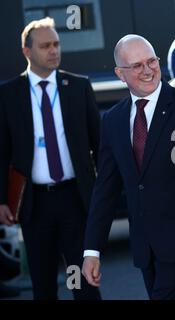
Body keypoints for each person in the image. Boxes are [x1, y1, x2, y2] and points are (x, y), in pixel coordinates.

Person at [82, 34, 175, 300]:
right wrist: (92, 251)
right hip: (145, 251)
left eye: (152, 61)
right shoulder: (113, 120)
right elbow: (105, 191)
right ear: (120, 74)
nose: (147, 70)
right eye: (137, 66)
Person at [0, 17, 101, 300]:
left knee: (83, 282)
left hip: (75, 200)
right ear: (27, 51)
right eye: (45, 46)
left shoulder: (78, 87)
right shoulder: (9, 94)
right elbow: (2, 152)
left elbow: (100, 144)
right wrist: (2, 200)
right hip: (35, 203)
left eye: (56, 44)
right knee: (43, 284)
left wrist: (102, 193)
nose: (54, 51)